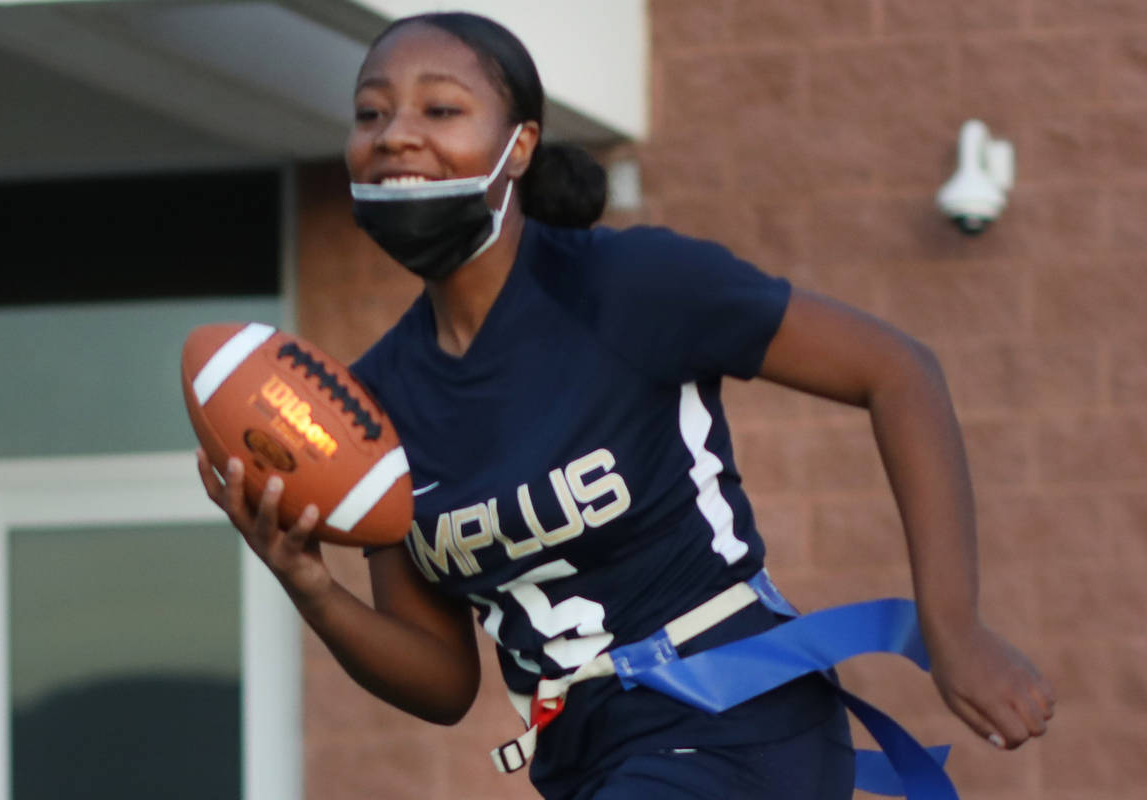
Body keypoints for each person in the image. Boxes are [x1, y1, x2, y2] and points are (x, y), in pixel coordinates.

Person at [196, 11, 1055, 800]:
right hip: (587, 761)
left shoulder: (631, 286)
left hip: (738, 720)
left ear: (520, 145)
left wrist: (953, 625)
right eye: (371, 114)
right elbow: (443, 684)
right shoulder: (376, 403)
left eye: (442, 110)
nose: (396, 136)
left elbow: (899, 369)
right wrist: (307, 583)